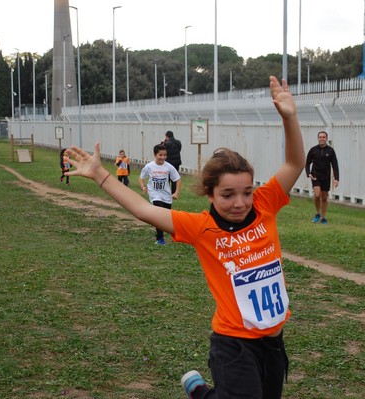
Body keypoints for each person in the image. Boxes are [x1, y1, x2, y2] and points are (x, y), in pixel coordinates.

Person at [65, 76, 305, 399]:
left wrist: (289, 117)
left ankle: (199, 392)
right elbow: (143, 210)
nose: (240, 202)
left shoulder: (265, 204)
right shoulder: (201, 227)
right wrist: (101, 175)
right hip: (234, 344)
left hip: (273, 342)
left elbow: (294, 162)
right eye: (228, 194)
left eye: (246, 192)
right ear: (210, 193)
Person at [138, 143, 181, 245]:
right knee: (158, 216)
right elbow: (141, 178)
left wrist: (176, 193)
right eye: (160, 155)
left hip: (166, 195)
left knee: (166, 217)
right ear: (155, 154)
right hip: (155, 194)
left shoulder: (169, 167)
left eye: (164, 155)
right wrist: (143, 186)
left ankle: (173, 235)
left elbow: (178, 179)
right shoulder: (149, 166)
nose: (163, 157)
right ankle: (160, 239)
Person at [305, 131, 339, 224]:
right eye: (320, 137)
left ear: (326, 139)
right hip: (315, 176)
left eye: (324, 137)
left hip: (326, 177)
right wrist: (308, 173)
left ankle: (323, 217)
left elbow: (335, 165)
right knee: (317, 195)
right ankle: (317, 213)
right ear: (318, 138)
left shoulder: (330, 151)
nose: (322, 139)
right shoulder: (313, 150)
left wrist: (336, 179)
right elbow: (307, 163)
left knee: (324, 198)